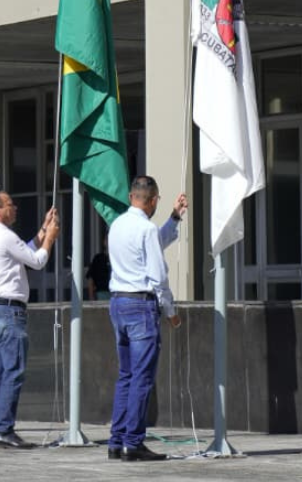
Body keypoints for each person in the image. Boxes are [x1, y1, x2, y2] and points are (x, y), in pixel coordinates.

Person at [106, 175, 187, 462]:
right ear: (152, 200)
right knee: (142, 378)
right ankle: (133, 442)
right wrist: (171, 312)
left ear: (132, 197)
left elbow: (148, 249)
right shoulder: (146, 229)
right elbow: (157, 275)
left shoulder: (117, 225)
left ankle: (116, 441)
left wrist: (174, 218)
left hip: (118, 303)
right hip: (141, 306)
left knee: (126, 376)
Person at [0, 191, 60, 450]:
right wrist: (51, 239)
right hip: (9, 313)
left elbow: (23, 251)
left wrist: (42, 230)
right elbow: (36, 261)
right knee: (13, 371)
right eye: (10, 205)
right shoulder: (4, 235)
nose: (15, 209)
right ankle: (4, 429)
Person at [86, 233, 111, 301]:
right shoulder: (98, 258)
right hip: (101, 293)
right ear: (104, 242)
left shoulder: (118, 258)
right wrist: (91, 297)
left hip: (117, 293)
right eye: (107, 239)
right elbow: (91, 278)